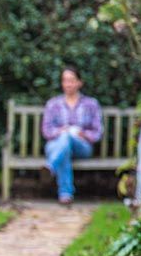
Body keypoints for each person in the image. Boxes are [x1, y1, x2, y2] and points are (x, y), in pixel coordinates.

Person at [41, 66, 102, 205]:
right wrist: (60, 131)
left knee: (67, 139)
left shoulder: (91, 104)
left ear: (79, 83)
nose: (68, 84)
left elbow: (97, 132)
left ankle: (51, 167)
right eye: (65, 80)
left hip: (82, 145)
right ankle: (65, 195)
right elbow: (46, 131)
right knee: (64, 145)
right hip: (55, 144)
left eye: (71, 80)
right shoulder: (53, 104)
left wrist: (83, 133)